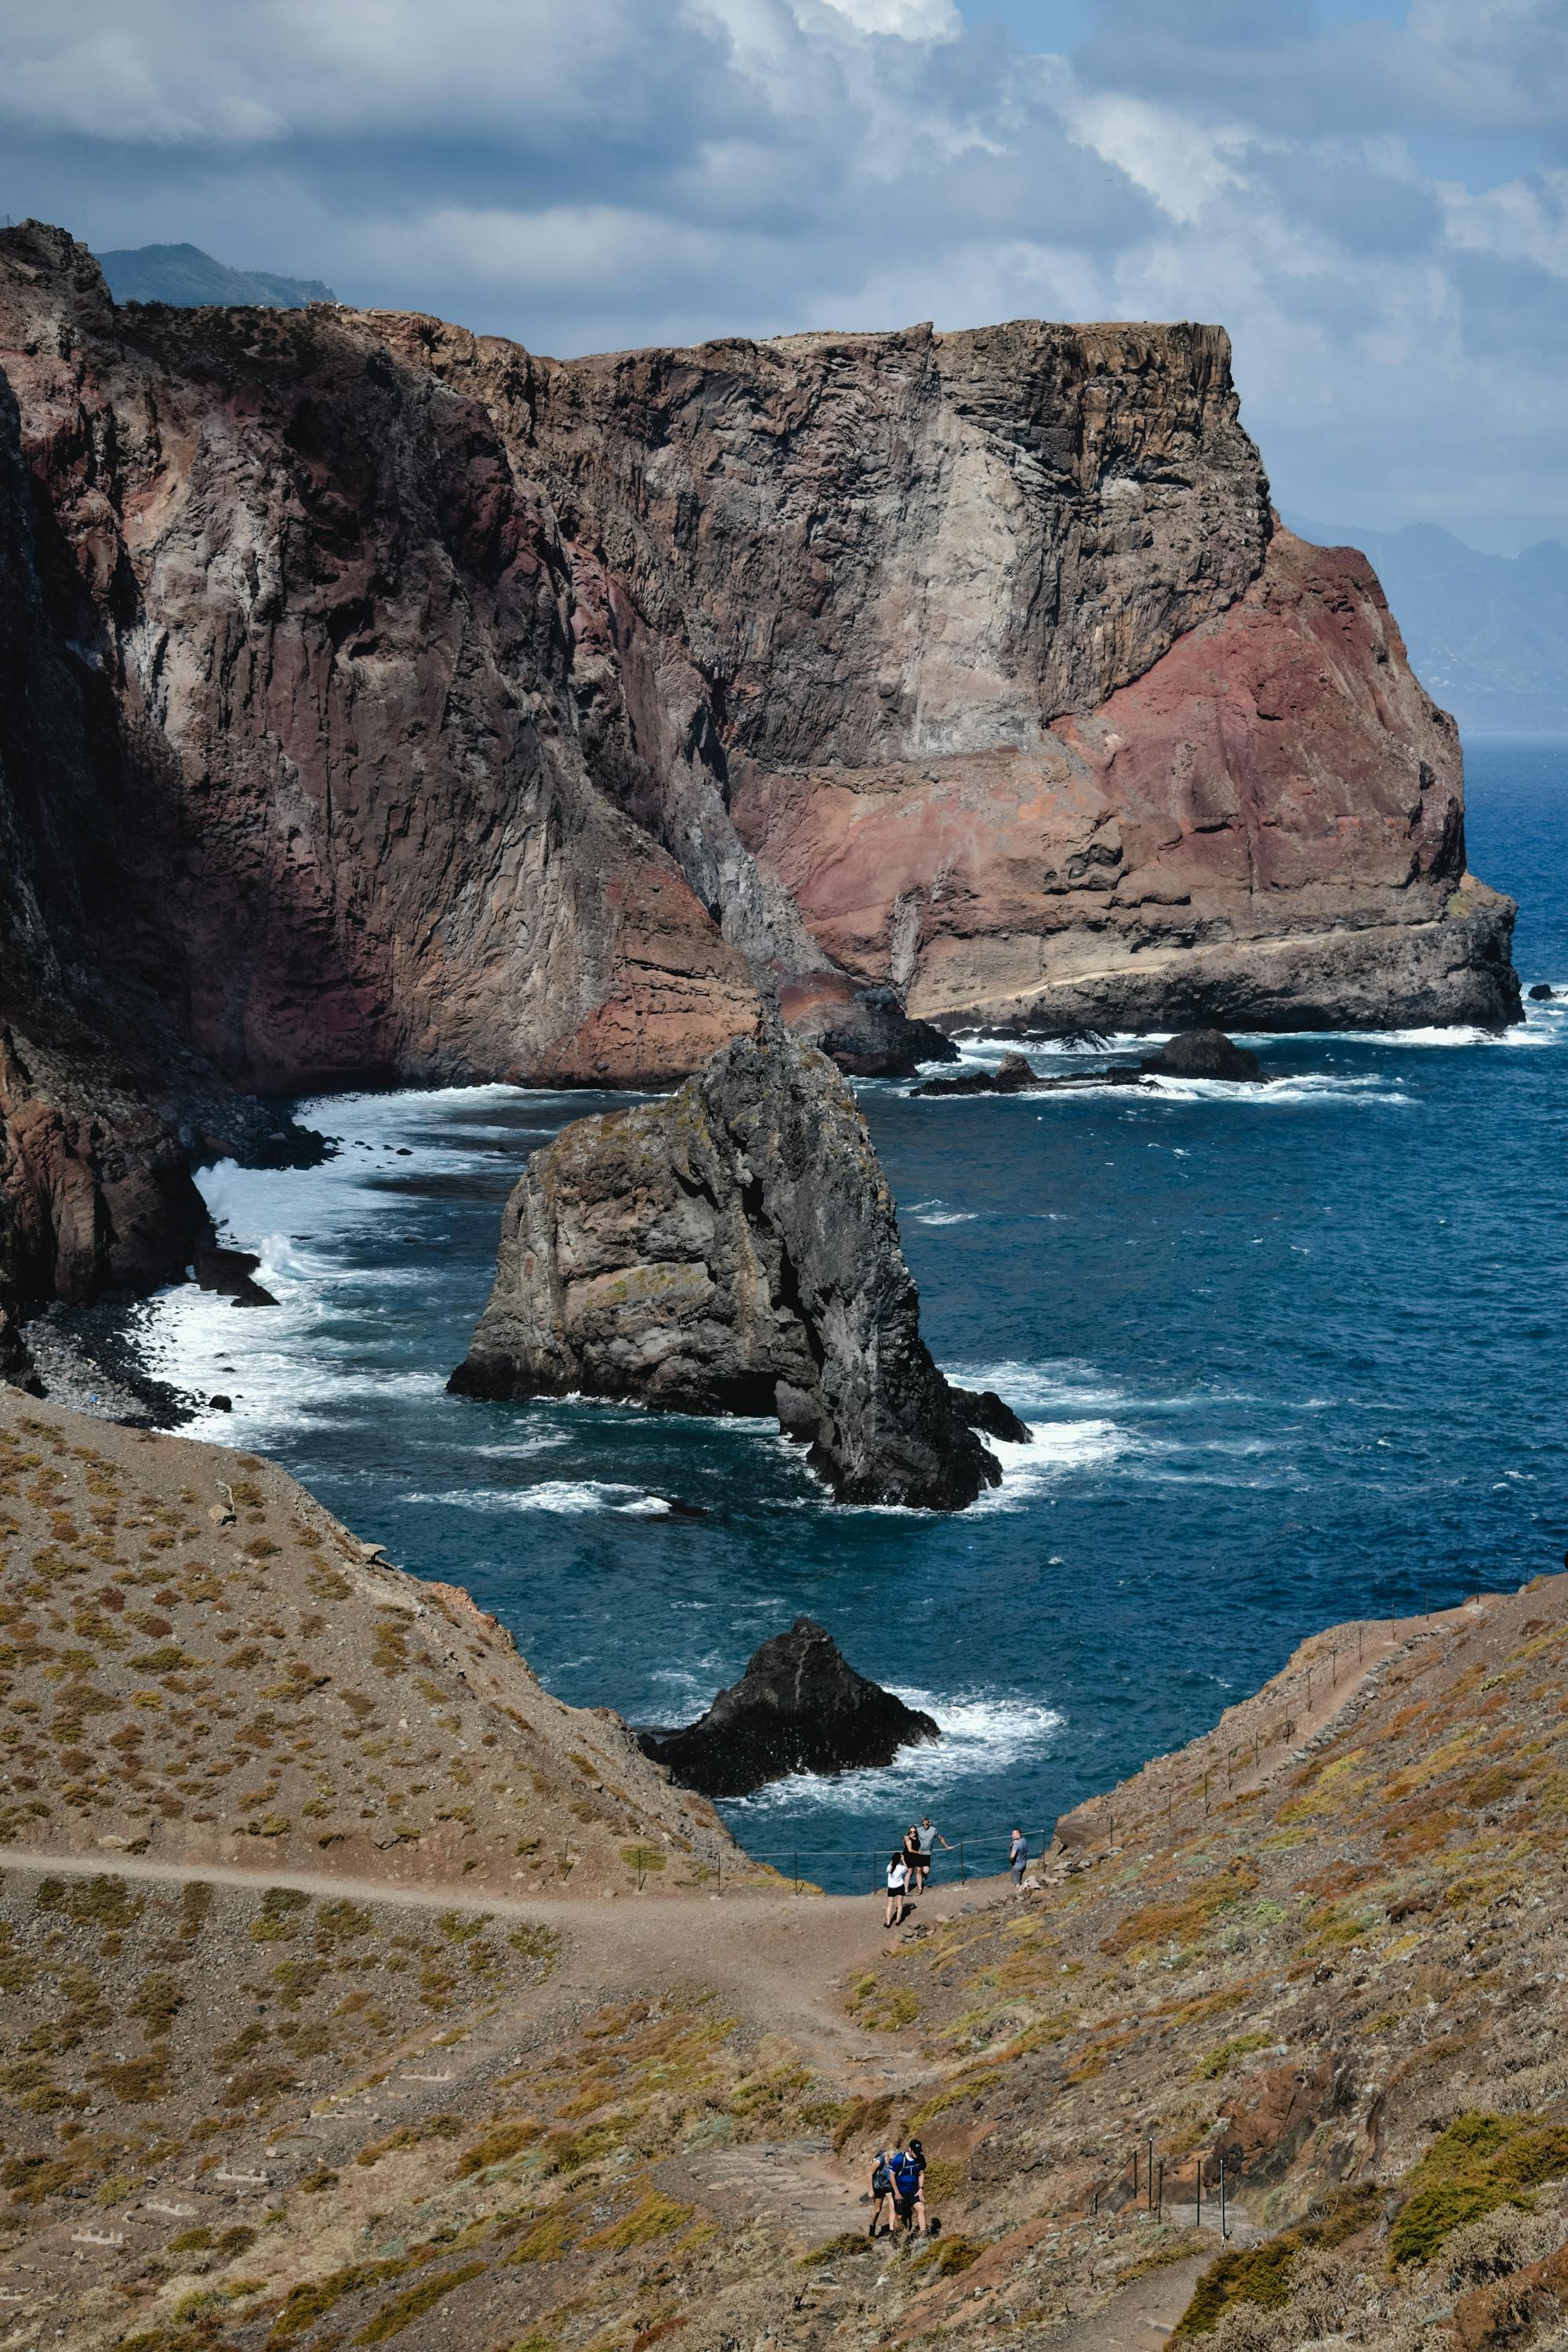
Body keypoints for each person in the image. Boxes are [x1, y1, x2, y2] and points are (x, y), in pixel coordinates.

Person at [888, 2140, 926, 2237]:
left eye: (918, 2151)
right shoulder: (900, 2159)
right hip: (900, 2191)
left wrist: (921, 2189)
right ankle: (895, 2235)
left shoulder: (920, 2159)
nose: (917, 2154)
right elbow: (891, 2176)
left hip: (913, 2190)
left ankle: (923, 2237)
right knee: (900, 2216)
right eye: (915, 2151)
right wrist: (896, 2192)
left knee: (921, 2208)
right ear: (909, 2149)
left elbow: (921, 2174)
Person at [916, 1814, 950, 1889]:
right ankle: (920, 1888)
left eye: (926, 1824)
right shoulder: (918, 1830)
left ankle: (924, 1875)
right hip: (919, 1853)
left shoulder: (933, 1830)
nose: (925, 1825)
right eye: (923, 1824)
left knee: (926, 1871)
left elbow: (940, 1838)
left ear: (929, 1823)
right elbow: (913, 1838)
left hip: (927, 1853)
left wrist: (947, 1846)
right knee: (918, 1870)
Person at [867, 2145, 895, 2237]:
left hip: (889, 2186)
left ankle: (892, 2231)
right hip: (878, 2187)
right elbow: (870, 2174)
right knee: (877, 2210)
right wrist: (871, 2190)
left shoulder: (895, 2160)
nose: (892, 2161)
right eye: (891, 2159)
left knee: (892, 2206)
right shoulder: (879, 2161)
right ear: (887, 2155)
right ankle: (872, 2227)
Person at [885, 1849, 909, 1927]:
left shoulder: (889, 1867)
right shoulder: (901, 1868)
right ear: (899, 1860)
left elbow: (890, 1866)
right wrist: (903, 1860)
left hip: (891, 1888)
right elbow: (907, 1869)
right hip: (900, 1887)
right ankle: (898, 1921)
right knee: (900, 1904)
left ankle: (888, 1923)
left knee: (889, 1906)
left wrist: (892, 1860)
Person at [902, 1823, 924, 1893]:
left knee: (919, 1870)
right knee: (910, 1872)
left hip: (916, 1856)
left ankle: (920, 1888)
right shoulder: (907, 1837)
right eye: (911, 1832)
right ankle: (906, 1889)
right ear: (909, 1832)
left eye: (914, 1831)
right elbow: (910, 1850)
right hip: (908, 1856)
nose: (913, 1833)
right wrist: (918, 1852)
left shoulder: (918, 1837)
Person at [1009, 1825, 1027, 1889]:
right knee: (1019, 1877)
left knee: (1017, 1883)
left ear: (1017, 1833)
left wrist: (1011, 1861)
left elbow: (1012, 1856)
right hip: (1023, 1864)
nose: (1012, 1835)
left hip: (1016, 1867)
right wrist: (1012, 1844)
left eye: (1013, 1834)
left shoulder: (1016, 1845)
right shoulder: (1023, 1840)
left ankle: (1019, 1892)